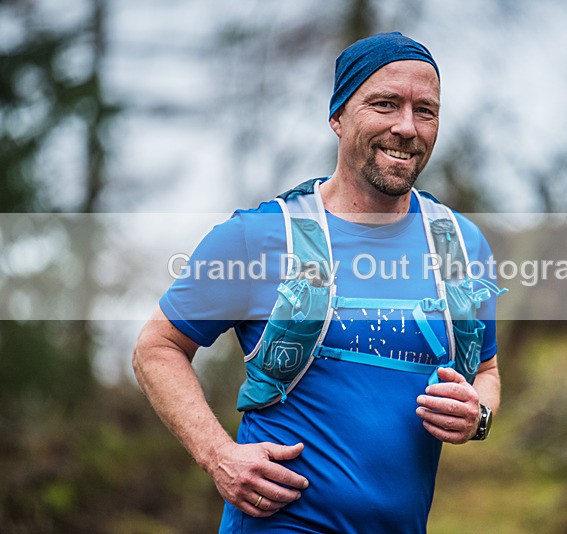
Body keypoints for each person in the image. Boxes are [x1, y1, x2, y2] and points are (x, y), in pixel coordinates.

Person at [133, 32, 503, 533]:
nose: (406, 127)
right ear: (337, 116)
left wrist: (477, 413)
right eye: (385, 104)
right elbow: (157, 348)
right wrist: (217, 453)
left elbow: (488, 371)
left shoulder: (462, 245)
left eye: (426, 111)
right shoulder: (259, 237)